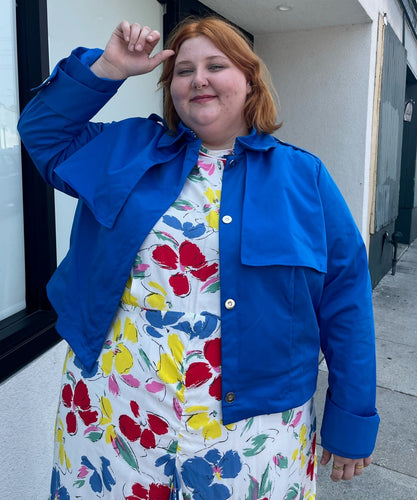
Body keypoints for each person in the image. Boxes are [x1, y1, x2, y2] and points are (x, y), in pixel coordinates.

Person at [18, 17, 379, 500]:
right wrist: (109, 68)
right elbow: (44, 135)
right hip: (117, 410)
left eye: (216, 65)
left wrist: (352, 420)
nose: (198, 79)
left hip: (253, 430)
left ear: (249, 78)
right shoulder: (127, 150)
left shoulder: (304, 178)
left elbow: (346, 300)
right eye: (184, 70)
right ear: (171, 89)